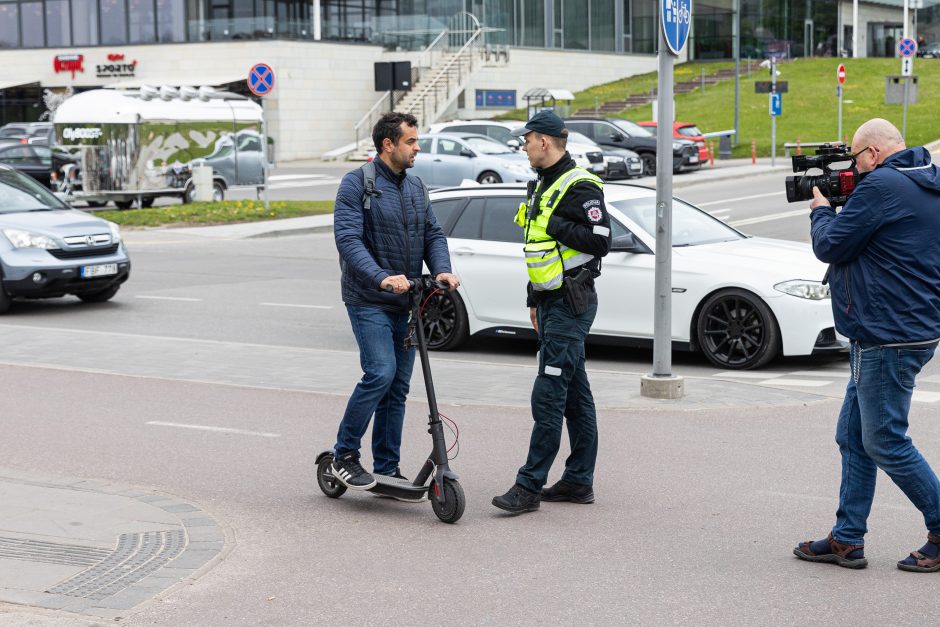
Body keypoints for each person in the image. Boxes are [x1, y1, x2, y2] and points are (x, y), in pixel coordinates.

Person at [794, 118, 940, 571]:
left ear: (874, 153)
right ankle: (846, 538)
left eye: (856, 160)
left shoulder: (880, 187)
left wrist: (821, 209)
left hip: (887, 335)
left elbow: (832, 245)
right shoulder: (926, 181)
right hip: (903, 326)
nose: (854, 170)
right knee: (853, 437)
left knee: (883, 440)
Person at [331, 112, 459, 490]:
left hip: (408, 302)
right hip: (368, 299)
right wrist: (381, 277)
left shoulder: (416, 187)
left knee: (398, 386)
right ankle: (344, 455)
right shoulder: (356, 184)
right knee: (380, 373)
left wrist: (442, 270)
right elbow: (348, 240)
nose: (418, 147)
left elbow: (433, 234)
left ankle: (387, 465)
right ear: (388, 144)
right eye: (411, 141)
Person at [492, 110, 611, 515]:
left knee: (549, 394)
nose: (523, 146)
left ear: (544, 141)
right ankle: (579, 481)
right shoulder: (543, 183)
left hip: (571, 303)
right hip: (549, 302)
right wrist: (532, 298)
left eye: (526, 140)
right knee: (575, 396)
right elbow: (538, 250)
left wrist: (555, 220)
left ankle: (528, 487)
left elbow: (601, 240)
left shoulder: (578, 186)